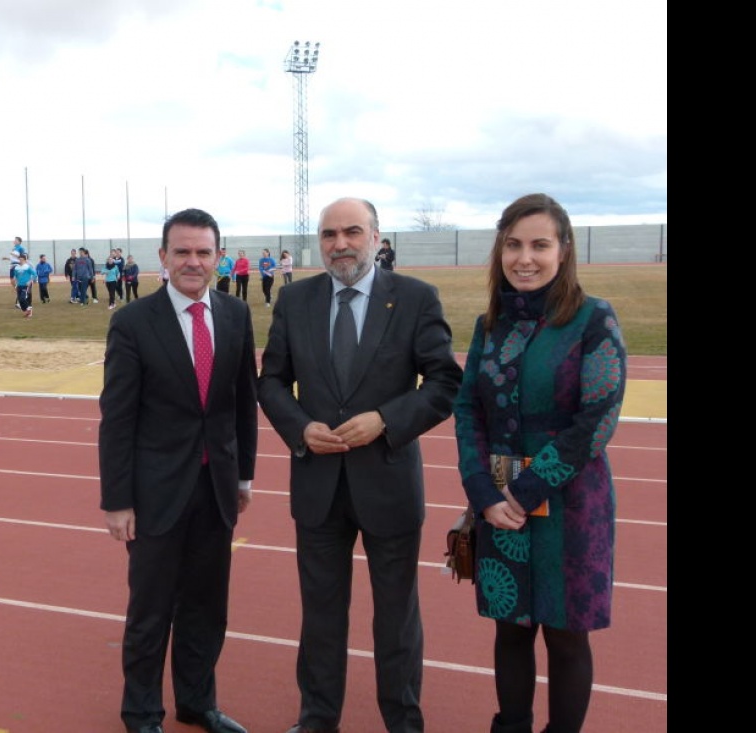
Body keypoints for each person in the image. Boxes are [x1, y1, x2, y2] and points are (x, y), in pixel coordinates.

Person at [257, 197, 463, 733]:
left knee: (396, 619)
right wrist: (300, 427)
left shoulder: (415, 298)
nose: (340, 244)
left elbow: (444, 383)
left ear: (376, 237)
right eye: (329, 234)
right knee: (321, 617)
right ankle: (318, 718)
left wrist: (386, 421)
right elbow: (271, 380)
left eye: (352, 232)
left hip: (388, 482)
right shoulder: (295, 299)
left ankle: (403, 720)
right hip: (318, 486)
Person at [451, 193, 626, 733]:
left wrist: (523, 493)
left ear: (564, 250)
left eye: (540, 245)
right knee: (511, 628)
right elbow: (466, 409)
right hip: (499, 505)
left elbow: (596, 419)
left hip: (571, 505)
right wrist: (482, 492)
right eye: (513, 245)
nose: (525, 258)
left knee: (567, 634)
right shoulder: (490, 324)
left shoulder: (593, 319)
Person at [99, 207, 259, 733]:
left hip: (215, 491)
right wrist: (117, 500)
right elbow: (118, 419)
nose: (193, 261)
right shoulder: (132, 322)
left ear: (218, 257)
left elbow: (241, 404)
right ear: (163, 257)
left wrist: (243, 478)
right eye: (182, 251)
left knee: (207, 608)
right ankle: (142, 713)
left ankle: (198, 702)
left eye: (203, 252)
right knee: (150, 614)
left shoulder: (235, 315)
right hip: (155, 495)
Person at [11, 253, 36, 318]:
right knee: (20, 299)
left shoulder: (27, 267)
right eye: (19, 259)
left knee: (22, 298)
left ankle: (28, 310)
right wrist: (15, 284)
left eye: (21, 260)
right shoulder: (16, 267)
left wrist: (30, 281)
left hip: (26, 286)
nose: (20, 261)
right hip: (19, 285)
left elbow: (35, 275)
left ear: (25, 260)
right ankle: (26, 312)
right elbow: (15, 277)